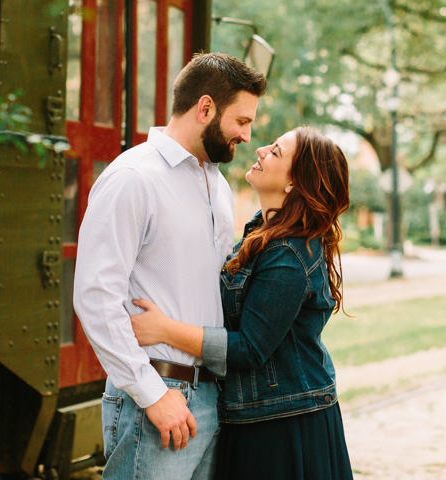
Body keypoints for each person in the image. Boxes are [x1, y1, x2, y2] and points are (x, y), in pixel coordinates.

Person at [73, 53, 267, 480]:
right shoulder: (134, 177)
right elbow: (95, 295)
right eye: (241, 120)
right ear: (205, 108)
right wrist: (151, 393)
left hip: (211, 395)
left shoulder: (216, 183)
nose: (247, 134)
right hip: (158, 394)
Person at [130, 126, 355, 480]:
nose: (260, 149)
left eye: (276, 152)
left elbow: (249, 348)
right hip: (259, 414)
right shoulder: (261, 234)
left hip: (283, 423)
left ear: (294, 183)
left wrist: (164, 329)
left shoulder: (287, 254)